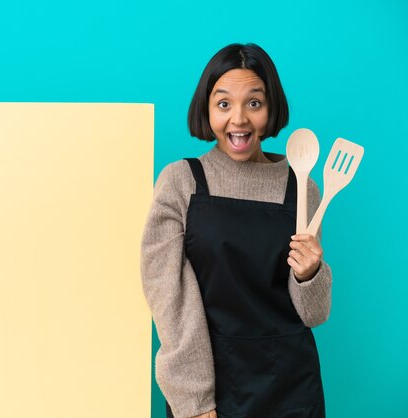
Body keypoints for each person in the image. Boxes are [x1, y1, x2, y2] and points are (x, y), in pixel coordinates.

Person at [140, 43, 332, 418]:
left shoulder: (302, 185)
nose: (239, 120)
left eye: (254, 103)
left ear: (271, 107)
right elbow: (169, 296)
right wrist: (194, 400)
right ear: (206, 109)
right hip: (211, 383)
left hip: (292, 385)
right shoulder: (181, 182)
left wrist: (310, 275)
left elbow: (313, 314)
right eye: (224, 104)